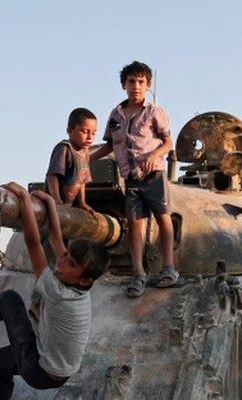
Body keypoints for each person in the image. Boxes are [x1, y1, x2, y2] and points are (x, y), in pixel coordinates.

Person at [0, 184, 109, 400]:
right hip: (58, 370)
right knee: (0, 361)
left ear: (85, 280)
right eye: (66, 257)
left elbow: (34, 243)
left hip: (39, 370)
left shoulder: (57, 291)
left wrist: (23, 199)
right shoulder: (79, 289)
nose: (62, 262)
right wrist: (51, 205)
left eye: (71, 264)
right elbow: (57, 242)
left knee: (10, 300)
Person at [91, 60, 176, 297]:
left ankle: (168, 267)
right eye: (131, 81)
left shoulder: (154, 113)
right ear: (123, 85)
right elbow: (110, 144)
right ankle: (138, 273)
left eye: (141, 82)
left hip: (153, 174)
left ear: (148, 86)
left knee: (163, 219)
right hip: (130, 177)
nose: (136, 86)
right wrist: (86, 158)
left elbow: (168, 142)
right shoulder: (115, 115)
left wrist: (154, 155)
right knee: (135, 226)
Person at [45, 107, 97, 214]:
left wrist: (82, 203)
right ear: (70, 130)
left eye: (93, 133)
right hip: (52, 203)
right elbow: (52, 176)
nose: (89, 137)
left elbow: (82, 180)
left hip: (68, 204)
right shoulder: (64, 148)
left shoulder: (85, 152)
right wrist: (56, 200)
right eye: (85, 131)